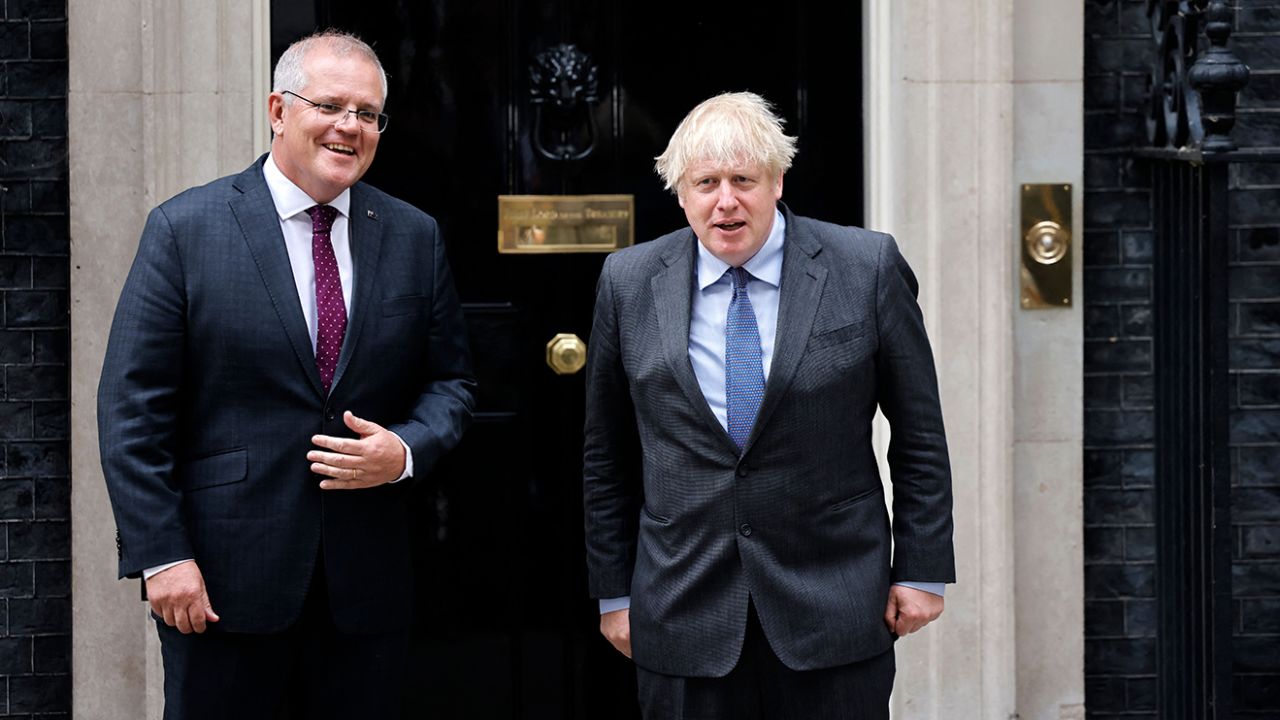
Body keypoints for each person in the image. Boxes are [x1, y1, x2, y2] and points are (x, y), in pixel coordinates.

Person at [97, 30, 475, 719]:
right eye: (330, 105)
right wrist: (161, 556)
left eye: (367, 114)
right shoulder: (185, 230)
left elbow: (452, 383)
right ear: (278, 109)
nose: (350, 127)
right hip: (219, 585)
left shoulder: (413, 235)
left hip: (365, 591)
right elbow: (132, 409)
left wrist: (406, 451)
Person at [582, 91, 954, 719]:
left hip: (833, 603)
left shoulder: (865, 266)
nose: (726, 201)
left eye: (743, 180)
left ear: (778, 181)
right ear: (680, 193)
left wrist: (921, 570)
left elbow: (920, 433)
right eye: (706, 182)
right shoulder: (627, 281)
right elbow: (606, 454)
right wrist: (613, 593)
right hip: (682, 607)